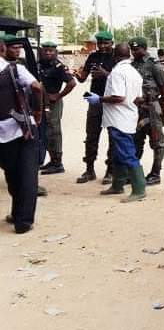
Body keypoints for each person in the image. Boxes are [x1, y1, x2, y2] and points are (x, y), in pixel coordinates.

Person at [84, 43, 145, 203]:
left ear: (114, 56)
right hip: (128, 117)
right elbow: (138, 98)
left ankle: (139, 189)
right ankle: (117, 185)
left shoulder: (117, 72)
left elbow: (119, 97)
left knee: (126, 154)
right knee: (118, 154)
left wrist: (99, 99)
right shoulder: (134, 73)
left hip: (118, 119)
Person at [0, 35, 43, 233]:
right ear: (2, 48)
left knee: (13, 174)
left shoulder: (15, 67)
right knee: (27, 174)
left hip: (6, 133)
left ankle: (19, 214)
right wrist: (38, 111)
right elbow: (36, 87)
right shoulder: (15, 69)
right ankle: (23, 220)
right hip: (24, 127)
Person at [74, 31, 115, 184]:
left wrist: (106, 74)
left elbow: (121, 77)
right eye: (100, 43)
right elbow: (83, 76)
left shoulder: (116, 57)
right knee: (91, 135)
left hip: (111, 102)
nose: (103, 46)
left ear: (112, 43)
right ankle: (89, 169)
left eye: (106, 43)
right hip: (95, 100)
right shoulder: (93, 57)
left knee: (113, 136)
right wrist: (78, 75)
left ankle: (110, 171)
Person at [129, 37, 164, 186]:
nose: (134, 52)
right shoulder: (131, 66)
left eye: (137, 49)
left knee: (157, 142)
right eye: (132, 49)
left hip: (152, 107)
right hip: (136, 109)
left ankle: (155, 173)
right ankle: (134, 173)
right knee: (136, 141)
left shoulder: (154, 65)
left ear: (144, 48)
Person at [38, 41, 76, 175]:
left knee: (54, 131)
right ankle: (52, 160)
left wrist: (58, 96)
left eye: (51, 51)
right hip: (39, 102)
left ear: (56, 52)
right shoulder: (38, 64)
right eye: (45, 50)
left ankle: (58, 163)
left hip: (53, 103)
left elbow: (72, 83)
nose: (48, 53)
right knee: (43, 131)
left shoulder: (59, 67)